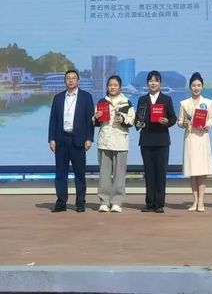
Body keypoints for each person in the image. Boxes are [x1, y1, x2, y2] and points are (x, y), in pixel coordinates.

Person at [47, 69, 94, 212]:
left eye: (73, 78)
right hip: (61, 139)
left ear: (78, 81)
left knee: (79, 174)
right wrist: (51, 138)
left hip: (78, 140)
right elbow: (53, 120)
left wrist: (89, 138)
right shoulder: (58, 98)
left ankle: (80, 202)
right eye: (68, 78)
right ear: (65, 81)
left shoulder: (86, 97)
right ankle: (61, 202)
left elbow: (90, 120)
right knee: (61, 174)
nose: (71, 80)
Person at [135, 70, 177, 213]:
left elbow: (173, 118)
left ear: (160, 83)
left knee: (160, 173)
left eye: (156, 81)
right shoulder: (142, 99)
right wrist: (138, 124)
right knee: (149, 173)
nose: (153, 83)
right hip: (146, 140)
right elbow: (137, 118)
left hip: (162, 141)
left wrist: (167, 122)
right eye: (151, 81)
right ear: (147, 83)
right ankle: (149, 203)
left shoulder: (166, 99)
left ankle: (159, 204)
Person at [93, 75, 135, 213]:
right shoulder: (102, 102)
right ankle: (104, 202)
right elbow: (94, 121)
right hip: (104, 141)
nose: (112, 87)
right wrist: (96, 117)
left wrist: (122, 119)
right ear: (107, 87)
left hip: (120, 142)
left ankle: (117, 202)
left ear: (120, 87)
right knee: (104, 173)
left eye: (115, 85)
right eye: (110, 85)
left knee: (119, 174)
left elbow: (132, 121)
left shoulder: (126, 102)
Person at [177, 72, 212, 212]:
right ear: (190, 87)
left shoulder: (208, 102)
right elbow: (179, 121)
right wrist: (184, 123)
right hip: (190, 138)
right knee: (193, 171)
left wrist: (207, 125)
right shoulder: (184, 103)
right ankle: (195, 201)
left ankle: (201, 201)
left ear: (202, 87)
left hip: (202, 137)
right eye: (194, 85)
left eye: (199, 85)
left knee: (202, 171)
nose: (196, 88)